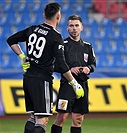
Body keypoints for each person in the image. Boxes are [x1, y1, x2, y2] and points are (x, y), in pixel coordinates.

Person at [6, 3, 84, 133]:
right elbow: (62, 64)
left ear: (44, 15)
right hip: (42, 80)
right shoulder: (55, 36)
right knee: (42, 120)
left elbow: (11, 40)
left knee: (33, 117)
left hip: (28, 77)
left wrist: (22, 57)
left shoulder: (33, 29)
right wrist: (74, 83)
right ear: (58, 16)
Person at [51, 15, 96, 133]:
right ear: (67, 28)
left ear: (82, 27)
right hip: (67, 85)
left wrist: (88, 69)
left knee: (78, 119)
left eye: (77, 25)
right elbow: (54, 65)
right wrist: (70, 69)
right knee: (61, 117)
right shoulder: (62, 45)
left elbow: (93, 65)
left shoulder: (88, 46)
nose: (74, 28)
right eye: (71, 26)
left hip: (83, 84)